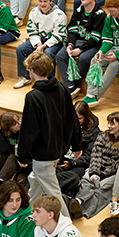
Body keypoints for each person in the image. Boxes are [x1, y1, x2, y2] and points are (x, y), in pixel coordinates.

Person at [20, 52, 83, 208]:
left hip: (44, 153)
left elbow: (29, 131)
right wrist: (76, 145)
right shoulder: (61, 86)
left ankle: (66, 226)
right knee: (35, 180)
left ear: (32, 71)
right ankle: (28, 212)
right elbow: (72, 118)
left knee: (53, 193)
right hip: (58, 148)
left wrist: (22, 155)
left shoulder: (33, 97)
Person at [73, 112, 119, 218]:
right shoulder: (102, 136)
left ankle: (83, 210)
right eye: (108, 123)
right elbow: (95, 155)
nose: (109, 126)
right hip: (98, 168)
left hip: (113, 173)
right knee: (86, 180)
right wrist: (94, 172)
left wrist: (102, 175)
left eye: (112, 124)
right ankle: (78, 201)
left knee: (102, 188)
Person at [82, 0, 119, 106]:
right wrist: (101, 51)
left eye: (113, 11)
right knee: (95, 60)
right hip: (113, 49)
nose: (111, 14)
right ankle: (90, 94)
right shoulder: (109, 18)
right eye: (109, 11)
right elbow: (107, 40)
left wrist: (117, 56)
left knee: (113, 66)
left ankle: (95, 96)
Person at [57, 0, 106, 97]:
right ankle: (70, 86)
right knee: (61, 55)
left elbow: (96, 37)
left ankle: (75, 84)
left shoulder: (100, 14)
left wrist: (80, 49)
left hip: (93, 45)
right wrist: (70, 45)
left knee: (83, 58)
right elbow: (72, 30)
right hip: (78, 42)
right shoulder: (78, 11)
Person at [14, 0, 67, 89]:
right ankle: (24, 77)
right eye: (40, 1)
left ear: (51, 1)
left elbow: (59, 35)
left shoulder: (59, 15)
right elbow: (32, 30)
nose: (42, 4)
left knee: (47, 53)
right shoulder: (34, 12)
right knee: (20, 49)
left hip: (54, 41)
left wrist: (44, 45)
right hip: (39, 39)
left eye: (45, 1)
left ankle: (49, 81)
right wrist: (38, 44)